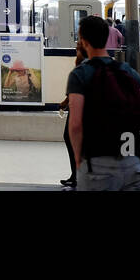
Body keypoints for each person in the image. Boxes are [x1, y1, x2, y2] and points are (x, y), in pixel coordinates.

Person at [66, 16, 140, 191]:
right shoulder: (127, 71)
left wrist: (79, 159)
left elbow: (76, 124)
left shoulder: (80, 75)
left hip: (96, 166)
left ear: (84, 41)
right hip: (133, 164)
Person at [59, 48, 88, 189]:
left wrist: (66, 102)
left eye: (77, 49)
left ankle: (76, 175)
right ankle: (75, 175)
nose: (76, 51)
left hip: (79, 110)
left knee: (70, 138)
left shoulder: (81, 69)